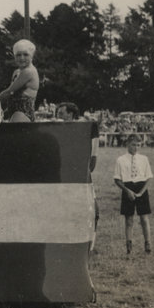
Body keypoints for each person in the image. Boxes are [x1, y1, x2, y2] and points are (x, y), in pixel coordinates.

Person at [58, 102, 100, 251]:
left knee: (93, 211)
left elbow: (92, 159)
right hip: (67, 178)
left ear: (70, 114)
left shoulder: (85, 128)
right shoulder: (61, 130)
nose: (59, 117)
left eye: (61, 113)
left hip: (81, 177)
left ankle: (89, 243)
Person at [113, 135, 153, 255]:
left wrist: (142, 192)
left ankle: (148, 243)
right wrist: (127, 190)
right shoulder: (120, 160)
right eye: (133, 145)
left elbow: (149, 178)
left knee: (144, 218)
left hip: (141, 188)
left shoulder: (144, 159)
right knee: (129, 219)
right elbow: (117, 179)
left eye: (138, 145)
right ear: (127, 145)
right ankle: (129, 245)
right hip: (128, 188)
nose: (136, 148)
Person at [0, 39, 40, 122]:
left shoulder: (29, 71)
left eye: (26, 55)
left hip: (23, 114)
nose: (22, 58)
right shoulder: (17, 72)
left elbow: (8, 92)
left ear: (31, 56)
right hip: (14, 113)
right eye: (18, 55)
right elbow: (12, 95)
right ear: (14, 56)